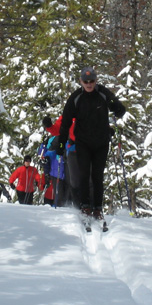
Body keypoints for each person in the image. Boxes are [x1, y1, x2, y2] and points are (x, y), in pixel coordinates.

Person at [54, 67, 125, 220]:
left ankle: (98, 208)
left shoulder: (103, 93)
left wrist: (118, 109)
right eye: (85, 81)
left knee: (98, 176)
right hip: (83, 143)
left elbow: (117, 106)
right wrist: (60, 146)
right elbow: (65, 123)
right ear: (81, 82)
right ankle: (85, 206)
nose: (89, 84)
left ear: (95, 80)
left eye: (91, 81)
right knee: (84, 175)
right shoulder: (76, 97)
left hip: (101, 142)